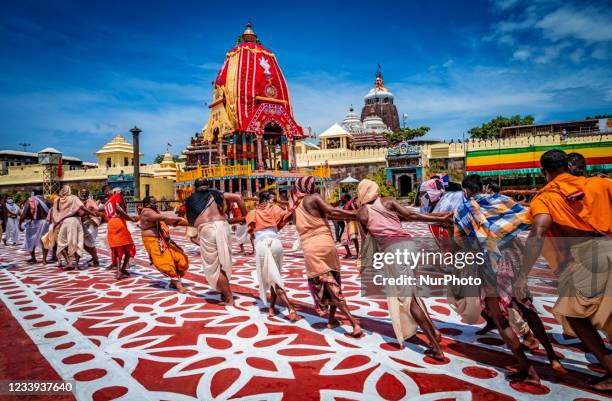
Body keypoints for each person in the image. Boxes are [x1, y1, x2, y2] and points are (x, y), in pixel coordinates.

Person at [455, 174, 565, 385]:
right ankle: (552, 357)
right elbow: (525, 216)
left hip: (489, 263)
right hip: (513, 257)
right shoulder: (502, 201)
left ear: (466, 190)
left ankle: (529, 371)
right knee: (527, 308)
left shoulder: (464, 209)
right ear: (484, 187)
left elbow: (462, 240)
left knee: (499, 317)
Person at [517, 149, 612, 390]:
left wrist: (522, 274)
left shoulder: (546, 198)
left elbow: (538, 233)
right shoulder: (601, 185)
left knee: (573, 314)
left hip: (590, 257)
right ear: (570, 167)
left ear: (543, 171)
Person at [356, 179, 448, 360]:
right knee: (413, 293)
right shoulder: (388, 201)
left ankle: (435, 347)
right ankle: (435, 331)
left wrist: (365, 265)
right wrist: (440, 218)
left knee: (408, 300)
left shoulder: (362, 213)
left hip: (393, 251)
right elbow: (411, 216)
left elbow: (367, 242)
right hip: (410, 245)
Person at [291, 176, 362, 337]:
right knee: (334, 281)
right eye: (314, 185)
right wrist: (356, 214)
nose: (316, 188)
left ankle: (352, 323)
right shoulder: (314, 198)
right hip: (327, 244)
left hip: (311, 248)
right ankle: (332, 320)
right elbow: (332, 212)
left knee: (329, 285)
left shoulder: (294, 208)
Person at [185, 178, 247, 306]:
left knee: (214, 267)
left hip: (208, 230)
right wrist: (247, 217)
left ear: (195, 187)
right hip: (223, 227)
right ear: (208, 186)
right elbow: (239, 197)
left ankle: (229, 298)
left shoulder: (190, 200)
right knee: (224, 262)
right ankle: (225, 293)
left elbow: (191, 222)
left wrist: (195, 235)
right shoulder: (216, 193)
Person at [246, 191, 301, 321]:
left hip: (260, 245)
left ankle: (272, 308)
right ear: (268, 200)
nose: (273, 202)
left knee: (272, 276)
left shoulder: (252, 212)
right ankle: (290, 309)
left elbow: (251, 230)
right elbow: (287, 214)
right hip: (275, 243)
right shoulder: (275, 208)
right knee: (275, 277)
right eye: (271, 199)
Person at [140, 196, 189, 293]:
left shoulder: (154, 211)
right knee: (166, 261)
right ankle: (178, 285)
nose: (155, 205)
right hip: (152, 240)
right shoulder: (146, 212)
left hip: (163, 240)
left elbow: (167, 221)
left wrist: (189, 223)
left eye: (155, 202)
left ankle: (173, 281)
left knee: (180, 258)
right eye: (153, 203)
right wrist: (179, 217)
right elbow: (162, 218)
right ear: (146, 204)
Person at [45, 185, 92, 270]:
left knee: (61, 242)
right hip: (75, 221)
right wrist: (92, 213)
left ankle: (69, 262)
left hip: (63, 223)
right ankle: (76, 265)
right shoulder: (73, 198)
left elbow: (54, 213)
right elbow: (82, 207)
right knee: (77, 242)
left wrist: (55, 224)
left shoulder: (57, 200)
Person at [103, 187, 137, 279]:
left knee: (117, 249)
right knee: (129, 246)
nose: (122, 194)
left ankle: (119, 271)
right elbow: (118, 207)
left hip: (111, 224)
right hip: (118, 223)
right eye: (120, 192)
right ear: (115, 192)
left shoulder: (107, 202)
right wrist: (129, 218)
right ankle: (122, 269)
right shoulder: (117, 196)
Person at [20, 189, 50, 263]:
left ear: (33, 193)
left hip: (35, 222)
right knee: (44, 240)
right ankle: (44, 260)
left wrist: (20, 223)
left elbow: (25, 212)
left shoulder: (31, 200)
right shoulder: (46, 201)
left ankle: (33, 258)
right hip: (45, 222)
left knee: (29, 239)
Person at [79, 188, 100, 267]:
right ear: (80, 193)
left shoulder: (91, 202)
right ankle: (94, 257)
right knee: (83, 244)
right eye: (82, 193)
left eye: (85, 193)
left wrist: (90, 212)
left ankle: (96, 260)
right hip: (81, 225)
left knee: (90, 243)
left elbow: (98, 211)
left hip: (91, 224)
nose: (84, 194)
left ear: (88, 194)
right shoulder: (77, 202)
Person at [341, 194, 360, 259]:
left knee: (354, 238)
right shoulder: (344, 205)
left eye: (342, 197)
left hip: (352, 223)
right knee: (343, 239)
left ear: (346, 198)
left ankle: (358, 254)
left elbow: (355, 211)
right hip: (347, 224)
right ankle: (348, 253)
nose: (341, 198)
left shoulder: (350, 203)